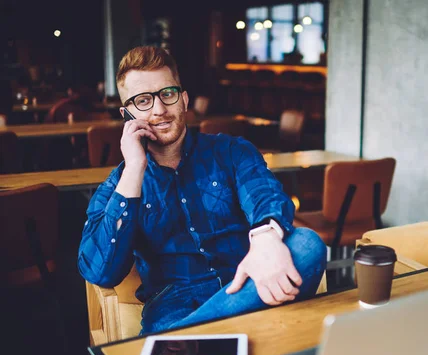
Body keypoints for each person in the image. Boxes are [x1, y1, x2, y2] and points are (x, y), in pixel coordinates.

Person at [78, 46, 326, 335]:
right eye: (143, 101)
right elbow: (100, 272)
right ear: (127, 114)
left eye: (167, 94)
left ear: (183, 100)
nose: (159, 109)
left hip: (248, 285)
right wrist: (134, 168)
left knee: (307, 244)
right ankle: (202, 334)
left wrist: (266, 238)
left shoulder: (232, 151)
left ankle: (183, 340)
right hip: (177, 306)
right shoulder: (119, 184)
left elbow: (265, 195)